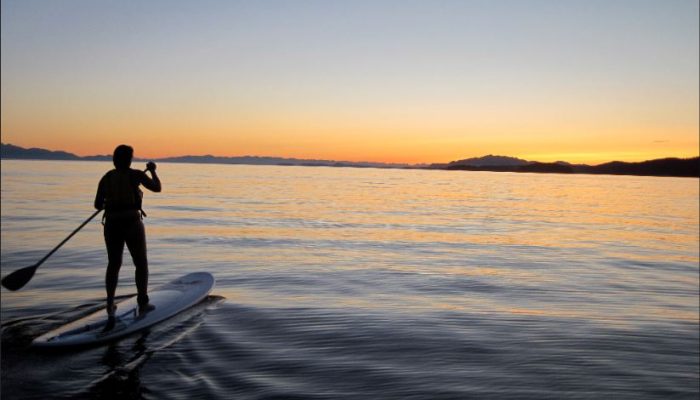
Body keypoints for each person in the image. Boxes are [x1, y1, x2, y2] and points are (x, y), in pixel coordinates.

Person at [94, 145, 161, 329]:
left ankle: (109, 303)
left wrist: (109, 201)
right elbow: (157, 188)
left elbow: (97, 204)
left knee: (114, 263)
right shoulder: (137, 175)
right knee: (140, 262)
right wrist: (153, 172)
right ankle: (142, 302)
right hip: (131, 223)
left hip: (112, 224)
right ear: (129, 160)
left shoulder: (107, 177)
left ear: (115, 159)